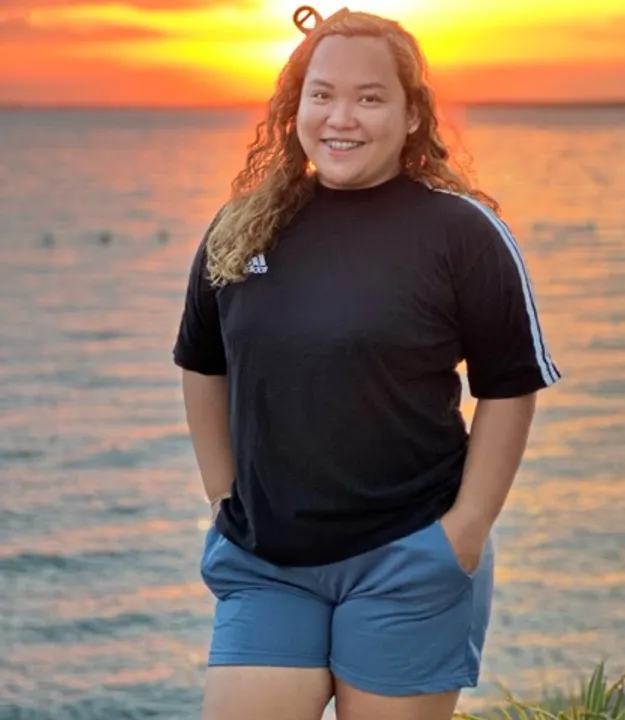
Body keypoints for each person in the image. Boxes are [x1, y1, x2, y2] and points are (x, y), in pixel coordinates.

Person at [172, 6, 560, 720]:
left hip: (407, 554)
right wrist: (221, 494)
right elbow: (202, 362)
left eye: (370, 97)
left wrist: (464, 531)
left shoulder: (462, 233)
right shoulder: (242, 229)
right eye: (321, 94)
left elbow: (510, 387)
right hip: (265, 562)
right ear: (296, 107)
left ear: (412, 115)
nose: (341, 117)